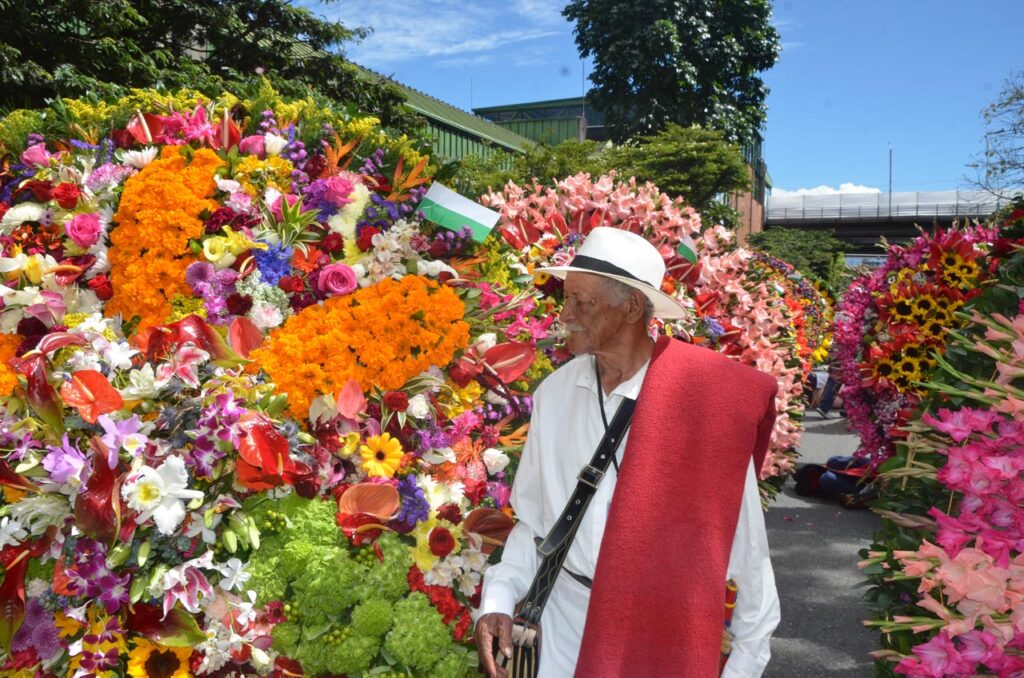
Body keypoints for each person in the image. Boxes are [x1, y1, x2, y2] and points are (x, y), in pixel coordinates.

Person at [475, 227, 781, 678]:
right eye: (566, 299)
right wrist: (497, 600)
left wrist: (743, 667)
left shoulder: (709, 403)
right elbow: (537, 524)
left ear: (633, 307)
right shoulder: (556, 393)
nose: (566, 314)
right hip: (560, 627)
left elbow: (748, 557)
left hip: (660, 639)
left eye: (584, 301)